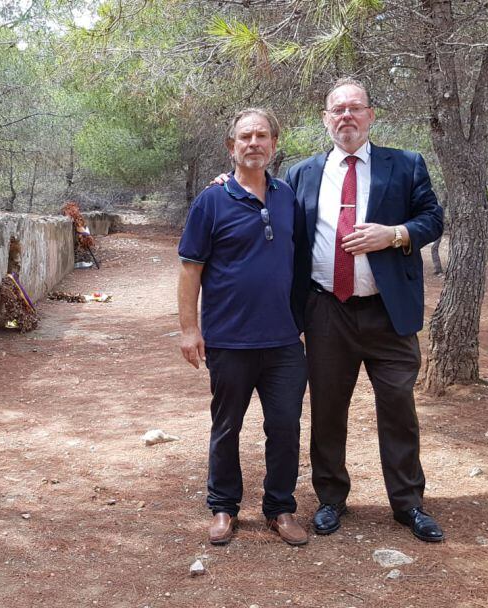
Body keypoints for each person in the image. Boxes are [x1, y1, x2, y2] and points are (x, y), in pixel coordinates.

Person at [285, 77, 445, 542]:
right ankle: (331, 498)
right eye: (338, 110)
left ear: (371, 116)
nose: (346, 117)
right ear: (325, 119)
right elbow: (270, 212)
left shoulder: (406, 165)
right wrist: (227, 181)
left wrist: (394, 234)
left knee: (398, 407)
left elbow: (433, 218)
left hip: (388, 312)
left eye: (356, 108)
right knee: (328, 409)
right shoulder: (302, 174)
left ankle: (408, 503)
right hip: (326, 310)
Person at [178, 108, 309, 547]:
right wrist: (188, 330)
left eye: (262, 136)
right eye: (245, 137)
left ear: (274, 143)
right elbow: (190, 269)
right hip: (230, 339)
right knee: (226, 426)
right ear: (231, 146)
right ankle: (223, 507)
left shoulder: (288, 197)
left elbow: (303, 261)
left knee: (285, 426)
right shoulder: (211, 200)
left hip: (284, 342)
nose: (254, 143)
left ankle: (280, 508)